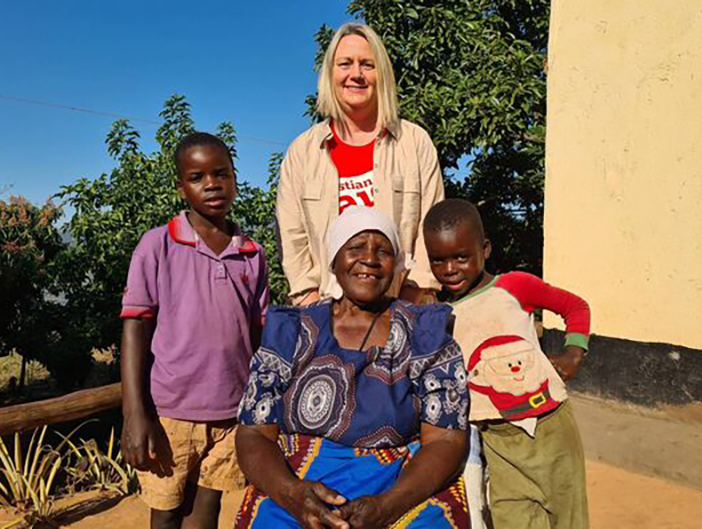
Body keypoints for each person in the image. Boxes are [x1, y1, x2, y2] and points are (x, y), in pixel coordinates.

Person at [234, 207, 470, 528]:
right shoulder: (292, 331)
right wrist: (291, 494)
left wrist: (388, 507)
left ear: (395, 264)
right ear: (334, 260)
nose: (370, 259)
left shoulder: (424, 333)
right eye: (355, 247)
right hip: (299, 483)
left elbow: (446, 439)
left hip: (399, 484)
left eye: (383, 251)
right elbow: (254, 432)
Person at [120, 132, 269, 529]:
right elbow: (135, 325)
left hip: (230, 411)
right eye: (198, 177)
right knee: (167, 511)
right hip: (170, 411)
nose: (212, 185)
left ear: (235, 178)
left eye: (221, 173)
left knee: (206, 511)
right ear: (181, 186)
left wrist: (259, 404)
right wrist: (135, 413)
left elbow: (258, 335)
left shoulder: (251, 253)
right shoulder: (157, 246)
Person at [423, 199, 592, 529]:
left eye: (461, 256)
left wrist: (574, 353)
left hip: (551, 429)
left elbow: (575, 307)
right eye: (438, 260)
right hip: (497, 442)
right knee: (510, 518)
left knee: (569, 518)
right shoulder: (441, 315)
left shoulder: (514, 286)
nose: (449, 269)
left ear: (484, 249)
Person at [277, 22, 444, 306]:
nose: (356, 74)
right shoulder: (302, 153)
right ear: (330, 74)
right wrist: (312, 307)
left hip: (404, 308)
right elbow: (293, 241)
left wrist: (407, 307)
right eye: (345, 64)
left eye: (367, 64)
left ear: (383, 75)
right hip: (327, 315)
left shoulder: (414, 143)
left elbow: (429, 229)